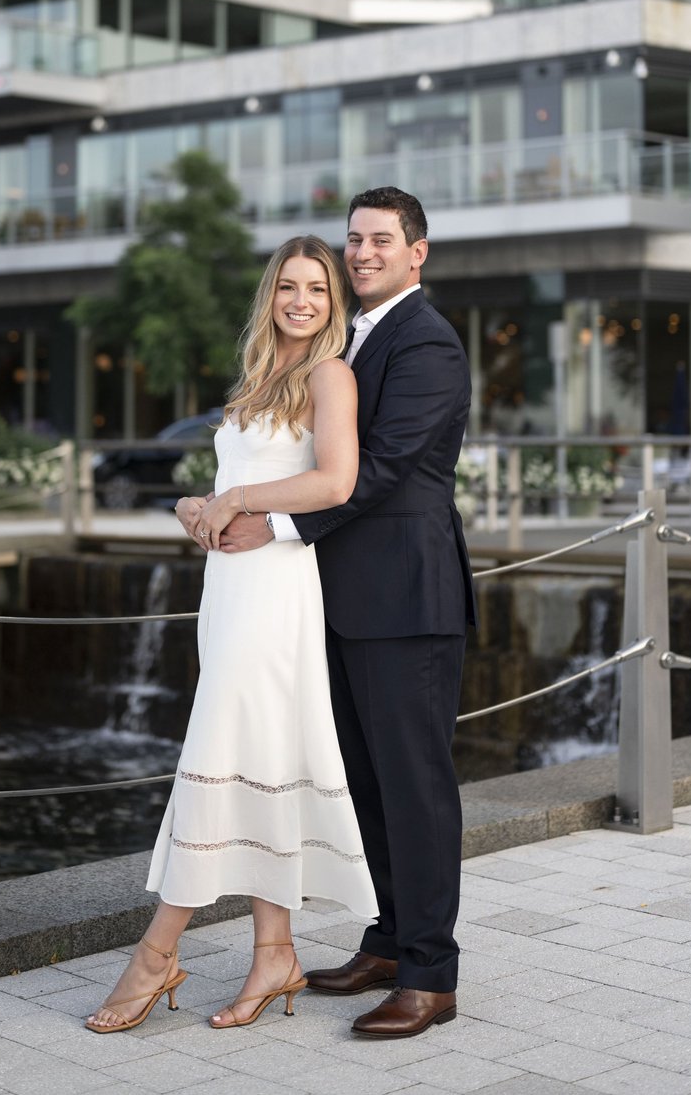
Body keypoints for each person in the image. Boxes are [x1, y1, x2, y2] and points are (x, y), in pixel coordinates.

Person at [85, 235, 378, 1034]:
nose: (302, 300)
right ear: (270, 294)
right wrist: (197, 505)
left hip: (278, 590)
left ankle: (156, 953)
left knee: (216, 753)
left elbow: (335, 480)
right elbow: (230, 487)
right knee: (261, 758)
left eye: (318, 288)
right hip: (230, 588)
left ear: (334, 301)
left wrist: (240, 495)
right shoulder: (260, 376)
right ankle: (275, 949)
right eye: (289, 285)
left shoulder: (330, 373)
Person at [214, 187, 476, 1041]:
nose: (361, 252)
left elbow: (384, 467)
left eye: (380, 240)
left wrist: (273, 521)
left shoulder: (426, 341)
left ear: (418, 252)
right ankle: (391, 940)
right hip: (341, 600)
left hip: (407, 600)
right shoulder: (351, 338)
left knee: (417, 788)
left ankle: (431, 975)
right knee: (370, 783)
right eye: (354, 239)